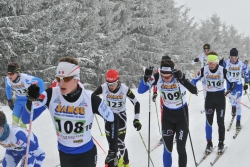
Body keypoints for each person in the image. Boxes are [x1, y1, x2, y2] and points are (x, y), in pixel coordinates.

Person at [21, 57, 119, 167]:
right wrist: (30, 100)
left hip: (86, 154)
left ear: (76, 79)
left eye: (66, 79)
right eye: (58, 78)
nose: (61, 82)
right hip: (64, 154)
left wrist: (113, 150)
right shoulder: (50, 95)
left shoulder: (90, 98)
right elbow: (26, 119)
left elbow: (113, 119)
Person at [138, 60, 198, 167]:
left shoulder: (179, 76)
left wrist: (182, 78)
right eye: (163, 76)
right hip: (167, 116)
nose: (165, 79)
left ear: (173, 73)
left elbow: (194, 90)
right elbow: (140, 90)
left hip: (181, 115)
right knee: (167, 148)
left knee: (180, 148)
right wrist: (146, 77)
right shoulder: (157, 77)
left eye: (168, 76)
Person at [93, 69, 141, 167]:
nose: (110, 87)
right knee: (111, 145)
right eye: (109, 84)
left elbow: (136, 103)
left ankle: (126, 163)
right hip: (108, 118)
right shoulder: (103, 87)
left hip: (120, 118)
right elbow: (91, 97)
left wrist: (136, 119)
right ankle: (118, 161)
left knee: (120, 143)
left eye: (113, 84)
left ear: (118, 80)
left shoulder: (124, 89)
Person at [191, 52, 235, 154]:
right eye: (209, 62)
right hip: (209, 98)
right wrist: (194, 87)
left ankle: (221, 143)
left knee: (220, 122)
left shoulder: (222, 70)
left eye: (213, 63)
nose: (210, 65)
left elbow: (232, 82)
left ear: (216, 62)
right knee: (208, 122)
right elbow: (193, 80)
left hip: (220, 97)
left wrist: (229, 91)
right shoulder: (204, 70)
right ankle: (209, 143)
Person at [5, 63, 45, 128]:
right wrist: (9, 100)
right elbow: (8, 88)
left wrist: (42, 96)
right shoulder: (7, 79)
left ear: (17, 73)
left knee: (22, 121)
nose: (9, 76)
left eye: (11, 74)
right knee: (15, 118)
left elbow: (41, 82)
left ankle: (24, 135)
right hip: (18, 100)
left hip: (28, 101)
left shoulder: (26, 78)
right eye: (8, 73)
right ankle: (15, 136)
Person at [219, 48, 249, 128]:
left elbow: (247, 72)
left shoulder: (241, 64)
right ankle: (233, 107)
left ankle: (238, 121)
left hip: (238, 85)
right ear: (230, 57)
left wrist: (246, 83)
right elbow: (219, 69)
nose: (233, 59)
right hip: (229, 86)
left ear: (237, 57)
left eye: (235, 57)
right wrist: (220, 64)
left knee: (238, 103)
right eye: (231, 57)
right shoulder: (226, 63)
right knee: (232, 101)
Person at [191, 44, 211, 111]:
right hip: (203, 72)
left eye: (207, 50)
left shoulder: (212, 55)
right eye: (205, 50)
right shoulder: (201, 55)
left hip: (211, 73)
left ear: (209, 50)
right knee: (205, 90)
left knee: (211, 89)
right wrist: (195, 60)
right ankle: (206, 105)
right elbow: (192, 63)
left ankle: (212, 104)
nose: (206, 51)